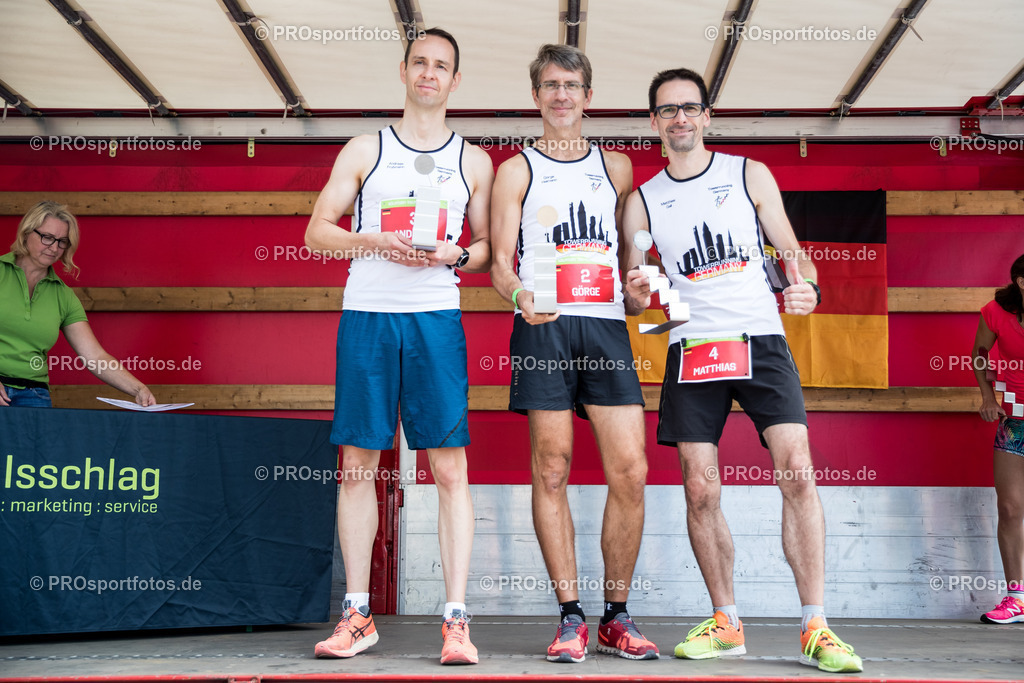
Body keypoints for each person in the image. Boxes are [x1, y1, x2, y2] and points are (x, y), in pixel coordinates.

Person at [622, 68, 863, 673]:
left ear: (707, 116)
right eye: (667, 109)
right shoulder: (643, 199)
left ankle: (816, 627)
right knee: (701, 487)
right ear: (653, 122)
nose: (680, 117)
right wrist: (638, 294)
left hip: (761, 341)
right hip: (693, 348)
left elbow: (791, 252)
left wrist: (805, 285)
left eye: (690, 107)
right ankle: (726, 622)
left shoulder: (748, 172)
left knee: (798, 473)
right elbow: (634, 298)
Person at [304, 28, 493, 665]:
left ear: (455, 80)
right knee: (357, 466)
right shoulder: (365, 147)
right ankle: (358, 614)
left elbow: (490, 248)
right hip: (368, 316)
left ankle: (456, 621)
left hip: (436, 318)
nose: (430, 74)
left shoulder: (474, 160)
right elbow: (316, 233)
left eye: (442, 66)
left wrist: (457, 253)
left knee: (448, 468)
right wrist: (373, 242)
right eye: (420, 62)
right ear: (405, 71)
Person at [490, 44, 658, 663]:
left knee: (631, 470)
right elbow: (500, 269)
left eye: (573, 85)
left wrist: (638, 289)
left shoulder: (617, 168)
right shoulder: (515, 170)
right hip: (545, 328)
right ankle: (570, 617)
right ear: (535, 95)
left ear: (589, 96)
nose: (562, 95)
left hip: (607, 327)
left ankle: (617, 615)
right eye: (551, 85)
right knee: (552, 467)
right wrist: (519, 296)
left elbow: (630, 262)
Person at [1, 201, 155, 409]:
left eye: (62, 241)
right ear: (27, 233)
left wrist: (138, 389)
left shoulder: (63, 296)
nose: (54, 247)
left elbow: (95, 356)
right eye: (47, 237)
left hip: (33, 395)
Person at [973, 253, 1024, 624]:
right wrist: (988, 397)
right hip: (1015, 422)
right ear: (1021, 282)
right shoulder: (995, 311)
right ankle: (1017, 597)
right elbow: (978, 354)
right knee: (1009, 508)